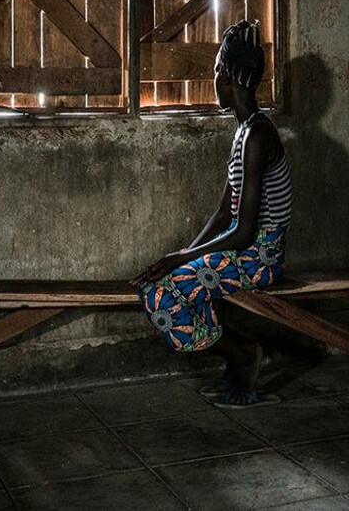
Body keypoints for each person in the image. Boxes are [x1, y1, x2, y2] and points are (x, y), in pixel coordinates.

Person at [130, 20, 292, 408]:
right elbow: (223, 213)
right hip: (245, 250)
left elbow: (245, 231)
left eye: (217, 70)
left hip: (260, 257)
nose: (213, 79)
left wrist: (182, 259)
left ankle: (243, 354)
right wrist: (182, 255)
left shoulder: (258, 135)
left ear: (232, 76)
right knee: (166, 282)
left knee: (159, 295)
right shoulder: (244, 132)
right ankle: (236, 364)